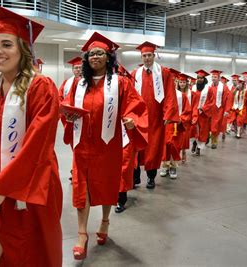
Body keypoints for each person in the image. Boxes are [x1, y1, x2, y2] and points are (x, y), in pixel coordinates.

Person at [0, 7, 63, 267]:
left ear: (23, 49)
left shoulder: (41, 87)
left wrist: (3, 187)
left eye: (7, 44)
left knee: (26, 252)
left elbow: (38, 145)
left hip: (30, 186)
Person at [62, 32, 147, 260]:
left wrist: (131, 119)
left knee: (107, 184)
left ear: (108, 57)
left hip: (108, 145)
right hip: (82, 145)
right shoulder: (79, 85)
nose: (95, 57)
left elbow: (136, 106)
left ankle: (105, 222)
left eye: (100, 53)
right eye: (91, 54)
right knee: (82, 187)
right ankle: (82, 234)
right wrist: (67, 116)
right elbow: (67, 106)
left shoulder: (121, 83)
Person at [130, 41, 179, 189]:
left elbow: (170, 94)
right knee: (136, 147)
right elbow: (130, 96)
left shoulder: (163, 73)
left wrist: (168, 114)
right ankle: (135, 177)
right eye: (144, 56)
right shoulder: (135, 74)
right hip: (139, 117)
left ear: (154, 55)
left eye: (149, 55)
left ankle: (151, 178)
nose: (147, 58)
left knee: (153, 148)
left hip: (156, 118)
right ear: (141, 57)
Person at [116, 64, 148, 213]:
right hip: (104, 132)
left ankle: (120, 198)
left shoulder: (125, 85)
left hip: (123, 130)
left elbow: (137, 106)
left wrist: (132, 119)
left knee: (123, 162)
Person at [161, 73, 192, 178]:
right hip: (165, 125)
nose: (173, 83)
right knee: (165, 146)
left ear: (176, 83)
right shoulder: (162, 95)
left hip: (176, 126)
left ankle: (173, 166)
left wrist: (180, 120)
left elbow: (187, 111)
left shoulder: (182, 96)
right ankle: (164, 165)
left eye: (175, 81)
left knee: (175, 145)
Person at [191, 69, 215, 156]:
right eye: (198, 78)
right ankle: (194, 142)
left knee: (202, 132)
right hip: (194, 112)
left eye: (201, 78)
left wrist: (204, 108)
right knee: (194, 130)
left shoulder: (209, 89)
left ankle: (198, 148)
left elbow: (212, 102)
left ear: (204, 79)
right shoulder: (193, 87)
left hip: (204, 114)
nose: (199, 79)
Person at [209, 70, 229, 149]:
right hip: (210, 109)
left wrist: (226, 110)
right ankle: (210, 139)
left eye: (215, 77)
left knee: (215, 126)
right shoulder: (209, 86)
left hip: (219, 110)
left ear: (219, 78)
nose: (213, 78)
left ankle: (214, 141)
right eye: (212, 77)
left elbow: (228, 99)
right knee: (209, 126)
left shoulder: (224, 87)